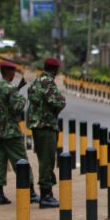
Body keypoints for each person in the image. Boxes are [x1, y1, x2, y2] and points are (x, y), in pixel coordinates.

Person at [0, 61, 38, 205]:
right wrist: (22, 97)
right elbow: (17, 108)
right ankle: (30, 192)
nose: (14, 75)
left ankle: (0, 195)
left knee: (0, 163)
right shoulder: (12, 89)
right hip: (11, 132)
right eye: (13, 72)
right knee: (21, 161)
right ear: (10, 73)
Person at [27, 57, 66, 208]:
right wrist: (61, 100)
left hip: (38, 127)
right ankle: (46, 195)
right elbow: (58, 102)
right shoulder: (48, 82)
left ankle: (46, 193)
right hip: (46, 126)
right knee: (47, 161)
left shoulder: (36, 81)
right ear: (55, 70)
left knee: (44, 159)